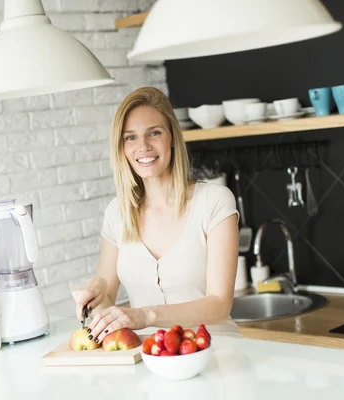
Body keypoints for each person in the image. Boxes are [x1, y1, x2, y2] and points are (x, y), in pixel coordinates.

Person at [72, 87, 240, 345]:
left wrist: (145, 315)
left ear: (172, 137)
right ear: (121, 148)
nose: (143, 147)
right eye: (130, 138)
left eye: (154, 133)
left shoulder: (214, 202)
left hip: (216, 353)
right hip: (150, 357)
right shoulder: (117, 212)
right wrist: (96, 293)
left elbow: (219, 305)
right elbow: (107, 295)